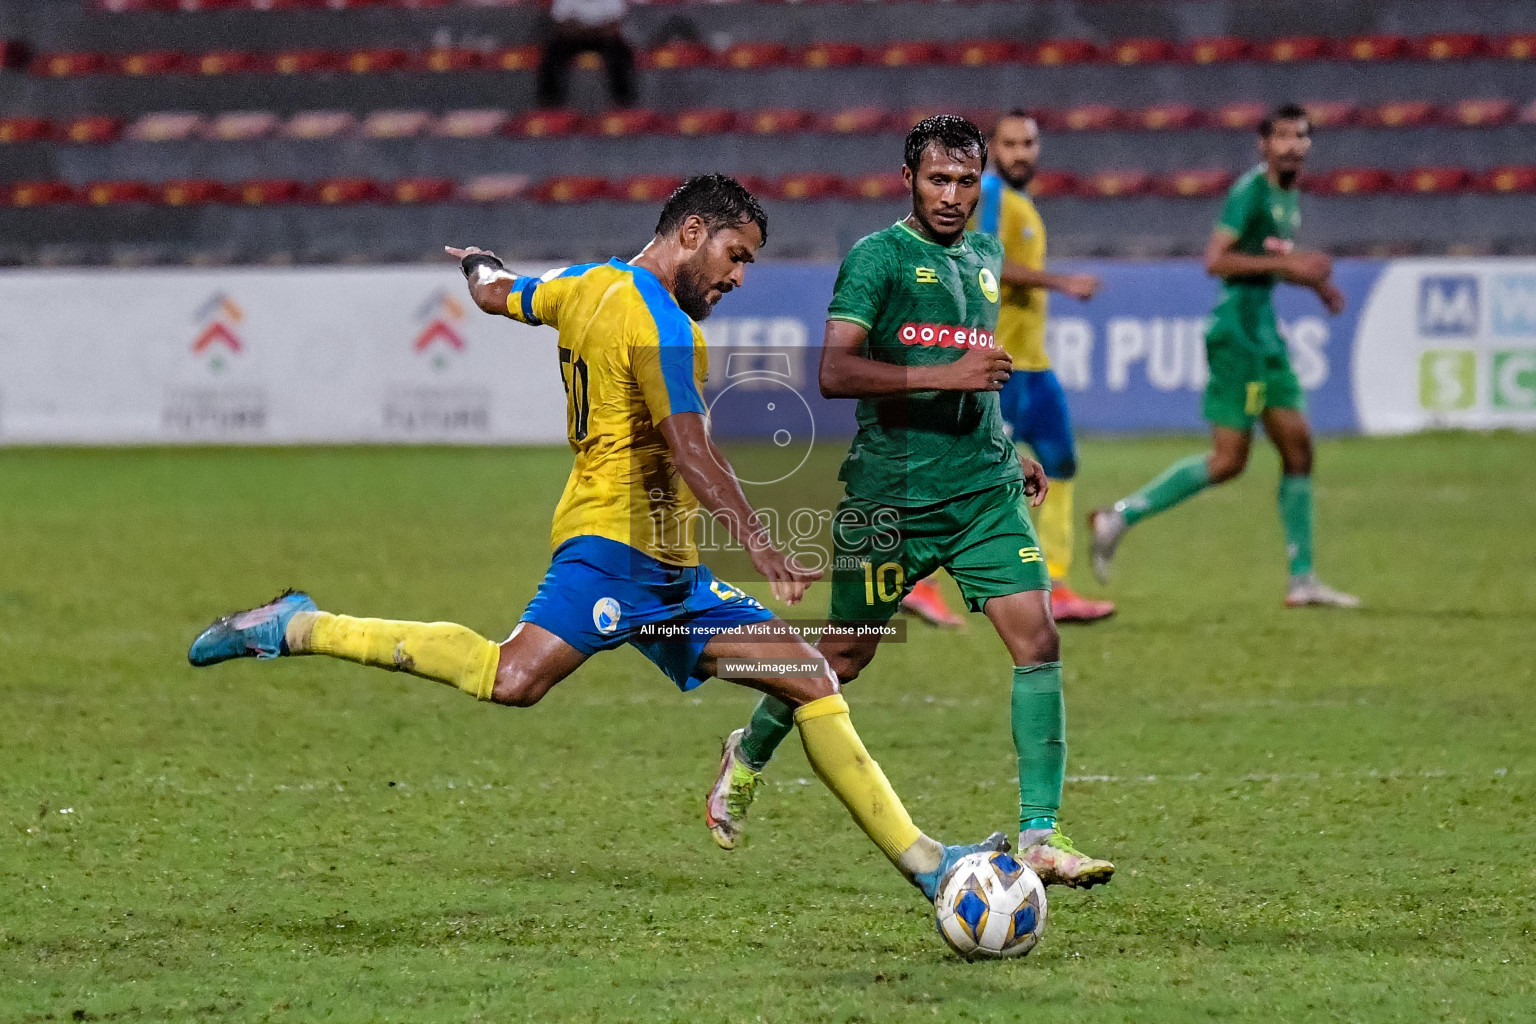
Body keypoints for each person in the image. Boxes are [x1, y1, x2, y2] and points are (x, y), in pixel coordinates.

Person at [186, 175, 1004, 902]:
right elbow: (691, 447)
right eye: (735, 254)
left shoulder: (583, 286)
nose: (738, 277)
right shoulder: (665, 328)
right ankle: (296, 624)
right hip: (613, 552)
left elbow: (499, 294)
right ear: (691, 232)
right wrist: (758, 542)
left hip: (674, 576)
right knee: (512, 678)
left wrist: (478, 262)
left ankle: (929, 864)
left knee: (809, 678)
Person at [704, 121, 1115, 889]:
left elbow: (973, 372)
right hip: (891, 495)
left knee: (1038, 640)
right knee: (844, 659)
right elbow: (834, 372)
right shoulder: (878, 258)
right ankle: (750, 748)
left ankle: (1039, 835)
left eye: (965, 183)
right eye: (938, 182)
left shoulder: (988, 258)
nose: (952, 197)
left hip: (982, 491)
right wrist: (949, 379)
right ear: (909, 179)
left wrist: (1004, 444)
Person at [1089, 104, 1360, 609]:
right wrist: (1294, 268)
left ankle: (1302, 580)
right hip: (1236, 335)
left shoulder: (1287, 194)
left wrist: (1313, 283)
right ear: (1263, 144)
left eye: (1300, 136)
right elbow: (1216, 260)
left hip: (1265, 336)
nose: (1292, 145)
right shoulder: (1251, 191)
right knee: (1229, 460)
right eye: (1281, 137)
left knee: (1299, 448)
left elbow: (1275, 259)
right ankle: (1120, 516)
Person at [903, 110, 1114, 627]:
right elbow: (983, 258)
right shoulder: (991, 193)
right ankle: (919, 581)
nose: (1022, 152)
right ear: (992, 149)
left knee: (1062, 460)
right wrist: (1061, 283)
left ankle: (1057, 583)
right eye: (1011, 143)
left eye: (1029, 143)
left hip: (1034, 364)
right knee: (975, 475)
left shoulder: (1020, 202)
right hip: (999, 364)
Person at [535, 0, 637, 109]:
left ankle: (623, 102)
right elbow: (561, 24)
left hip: (603, 39)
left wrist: (586, 29)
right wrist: (590, 30)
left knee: (622, 54)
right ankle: (550, 103)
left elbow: (615, 24)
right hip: (573, 39)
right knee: (553, 55)